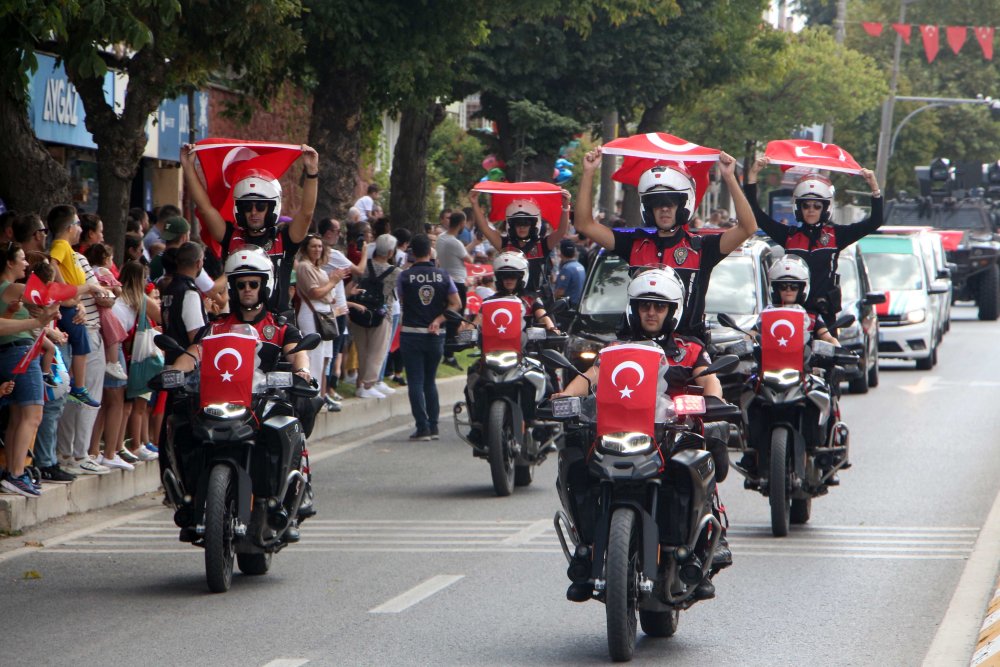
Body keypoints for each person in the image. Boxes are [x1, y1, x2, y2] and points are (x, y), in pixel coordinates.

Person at [552, 266, 731, 601]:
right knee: (575, 456)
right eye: (644, 305)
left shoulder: (689, 349)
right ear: (633, 308)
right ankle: (586, 548)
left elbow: (709, 379)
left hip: (671, 433)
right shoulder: (616, 348)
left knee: (701, 453)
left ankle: (710, 539)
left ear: (672, 311)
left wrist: (715, 400)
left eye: (659, 306)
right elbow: (591, 375)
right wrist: (565, 396)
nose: (651, 312)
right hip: (620, 431)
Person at [573, 148, 758, 341]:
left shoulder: (701, 248)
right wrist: (588, 172)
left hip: (687, 348)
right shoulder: (634, 244)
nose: (664, 209)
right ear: (648, 208)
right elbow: (584, 224)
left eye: (670, 203)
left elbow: (748, 227)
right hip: (639, 345)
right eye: (657, 203)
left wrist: (729, 177)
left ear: (683, 205)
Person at [745, 158, 882, 332]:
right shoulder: (789, 236)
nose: (811, 210)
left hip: (824, 316)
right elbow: (756, 214)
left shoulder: (836, 235)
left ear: (825, 208)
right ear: (799, 207)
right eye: (806, 205)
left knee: (831, 348)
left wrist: (874, 188)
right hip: (793, 314)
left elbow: (875, 221)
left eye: (817, 206)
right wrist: (752, 175)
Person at [180, 143, 319, 312]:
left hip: (277, 323)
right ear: (239, 210)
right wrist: (188, 167)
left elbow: (306, 213)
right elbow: (205, 208)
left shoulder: (285, 238)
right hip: (238, 322)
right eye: (247, 207)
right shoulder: (230, 236)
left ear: (272, 208)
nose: (253, 212)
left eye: (260, 206)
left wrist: (312, 172)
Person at [0, 244, 60, 496]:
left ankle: (12, 472)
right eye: (22, 259)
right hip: (20, 351)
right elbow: (54, 296)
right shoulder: (13, 288)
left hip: (11, 352)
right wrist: (89, 290)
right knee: (33, 415)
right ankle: (17, 473)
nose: (26, 264)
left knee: (18, 416)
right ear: (9, 262)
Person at [396, 234, 461, 441]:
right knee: (429, 381)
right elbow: (456, 303)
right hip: (435, 334)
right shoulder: (443, 275)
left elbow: (401, 300)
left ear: (412, 253)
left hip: (411, 333)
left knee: (415, 381)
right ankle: (433, 426)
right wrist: (439, 319)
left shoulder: (404, 276)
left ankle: (422, 427)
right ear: (430, 252)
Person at [47, 205, 102, 407]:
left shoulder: (68, 249)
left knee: (81, 342)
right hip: (66, 306)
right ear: (70, 227)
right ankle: (78, 387)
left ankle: (77, 385)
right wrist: (65, 289)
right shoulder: (61, 245)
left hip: (73, 304)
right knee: (81, 342)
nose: (80, 228)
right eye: (78, 224)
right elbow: (52, 264)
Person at [469, 188, 571, 295]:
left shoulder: (542, 245)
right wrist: (474, 203)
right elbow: (485, 228)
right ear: (511, 226)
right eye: (518, 224)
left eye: (526, 224)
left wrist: (565, 207)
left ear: (533, 225)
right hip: (512, 298)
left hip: (538, 299)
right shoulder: (505, 244)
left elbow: (561, 231)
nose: (522, 227)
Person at [348, 234, 400, 399]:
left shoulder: (363, 266)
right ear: (390, 252)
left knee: (362, 349)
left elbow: (353, 283)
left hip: (359, 312)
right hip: (382, 315)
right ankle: (368, 384)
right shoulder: (395, 272)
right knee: (377, 352)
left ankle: (360, 384)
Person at [295, 234, 339, 403]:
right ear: (306, 248)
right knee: (314, 357)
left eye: (320, 246)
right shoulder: (305, 267)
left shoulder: (318, 268)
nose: (317, 249)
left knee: (324, 358)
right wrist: (332, 282)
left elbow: (328, 295)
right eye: (313, 246)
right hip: (312, 313)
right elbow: (314, 292)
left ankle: (320, 395)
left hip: (325, 313)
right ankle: (310, 397)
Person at [760, 256, 839, 346]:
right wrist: (747, 341)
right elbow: (751, 335)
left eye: (794, 287)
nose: (788, 290)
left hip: (805, 355)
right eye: (783, 286)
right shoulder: (766, 314)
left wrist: (836, 347)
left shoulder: (811, 317)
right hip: (771, 354)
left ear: (802, 289)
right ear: (775, 290)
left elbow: (828, 338)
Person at [436, 211, 478, 369]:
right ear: (462, 224)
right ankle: (449, 353)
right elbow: (469, 259)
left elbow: (460, 252)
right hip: (457, 282)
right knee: (455, 317)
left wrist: (474, 243)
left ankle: (446, 351)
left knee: (448, 314)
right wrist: (473, 247)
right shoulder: (455, 242)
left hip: (445, 280)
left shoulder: (442, 238)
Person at [159, 242, 208, 365]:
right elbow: (196, 338)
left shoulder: (169, 288)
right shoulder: (189, 293)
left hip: (170, 361)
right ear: (198, 263)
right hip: (186, 366)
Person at [553, 239, 585, 308]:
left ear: (561, 253)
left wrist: (552, 299)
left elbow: (560, 292)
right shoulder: (580, 266)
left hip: (570, 306)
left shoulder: (566, 269)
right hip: (579, 304)